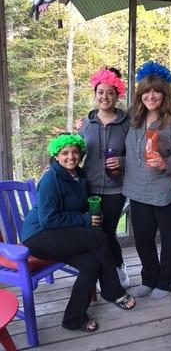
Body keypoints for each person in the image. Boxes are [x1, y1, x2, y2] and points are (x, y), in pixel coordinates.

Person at [21, 133, 136, 333]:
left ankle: (73, 318)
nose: (70, 157)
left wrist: (92, 213)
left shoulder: (79, 175)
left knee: (91, 264)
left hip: (60, 234)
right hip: (38, 236)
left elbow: (78, 206)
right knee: (99, 238)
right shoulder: (51, 179)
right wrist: (84, 220)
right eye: (65, 153)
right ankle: (113, 291)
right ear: (56, 155)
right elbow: (48, 219)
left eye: (75, 152)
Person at [123, 61, 171, 299]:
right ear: (140, 93)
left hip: (166, 191)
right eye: (146, 91)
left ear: (165, 93)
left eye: (157, 91)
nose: (151, 96)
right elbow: (125, 147)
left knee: (169, 238)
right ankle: (149, 278)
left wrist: (166, 163)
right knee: (142, 237)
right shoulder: (132, 117)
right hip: (138, 189)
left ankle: (165, 282)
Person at [78, 67, 130, 288]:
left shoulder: (128, 124)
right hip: (88, 188)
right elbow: (75, 154)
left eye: (110, 93)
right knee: (93, 232)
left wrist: (122, 162)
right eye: (101, 92)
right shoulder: (86, 124)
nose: (105, 97)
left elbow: (137, 156)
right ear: (95, 94)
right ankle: (101, 271)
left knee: (107, 232)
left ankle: (118, 269)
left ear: (117, 95)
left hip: (115, 190)